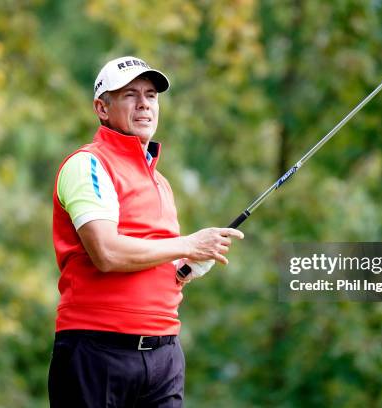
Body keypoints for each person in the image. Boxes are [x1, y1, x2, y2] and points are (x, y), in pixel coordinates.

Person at [48, 56, 243, 407]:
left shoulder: (161, 182)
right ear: (102, 108)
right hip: (97, 350)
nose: (144, 104)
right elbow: (106, 253)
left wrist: (183, 266)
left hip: (163, 354)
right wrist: (186, 243)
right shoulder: (88, 164)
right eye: (130, 95)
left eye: (151, 95)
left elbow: (155, 255)